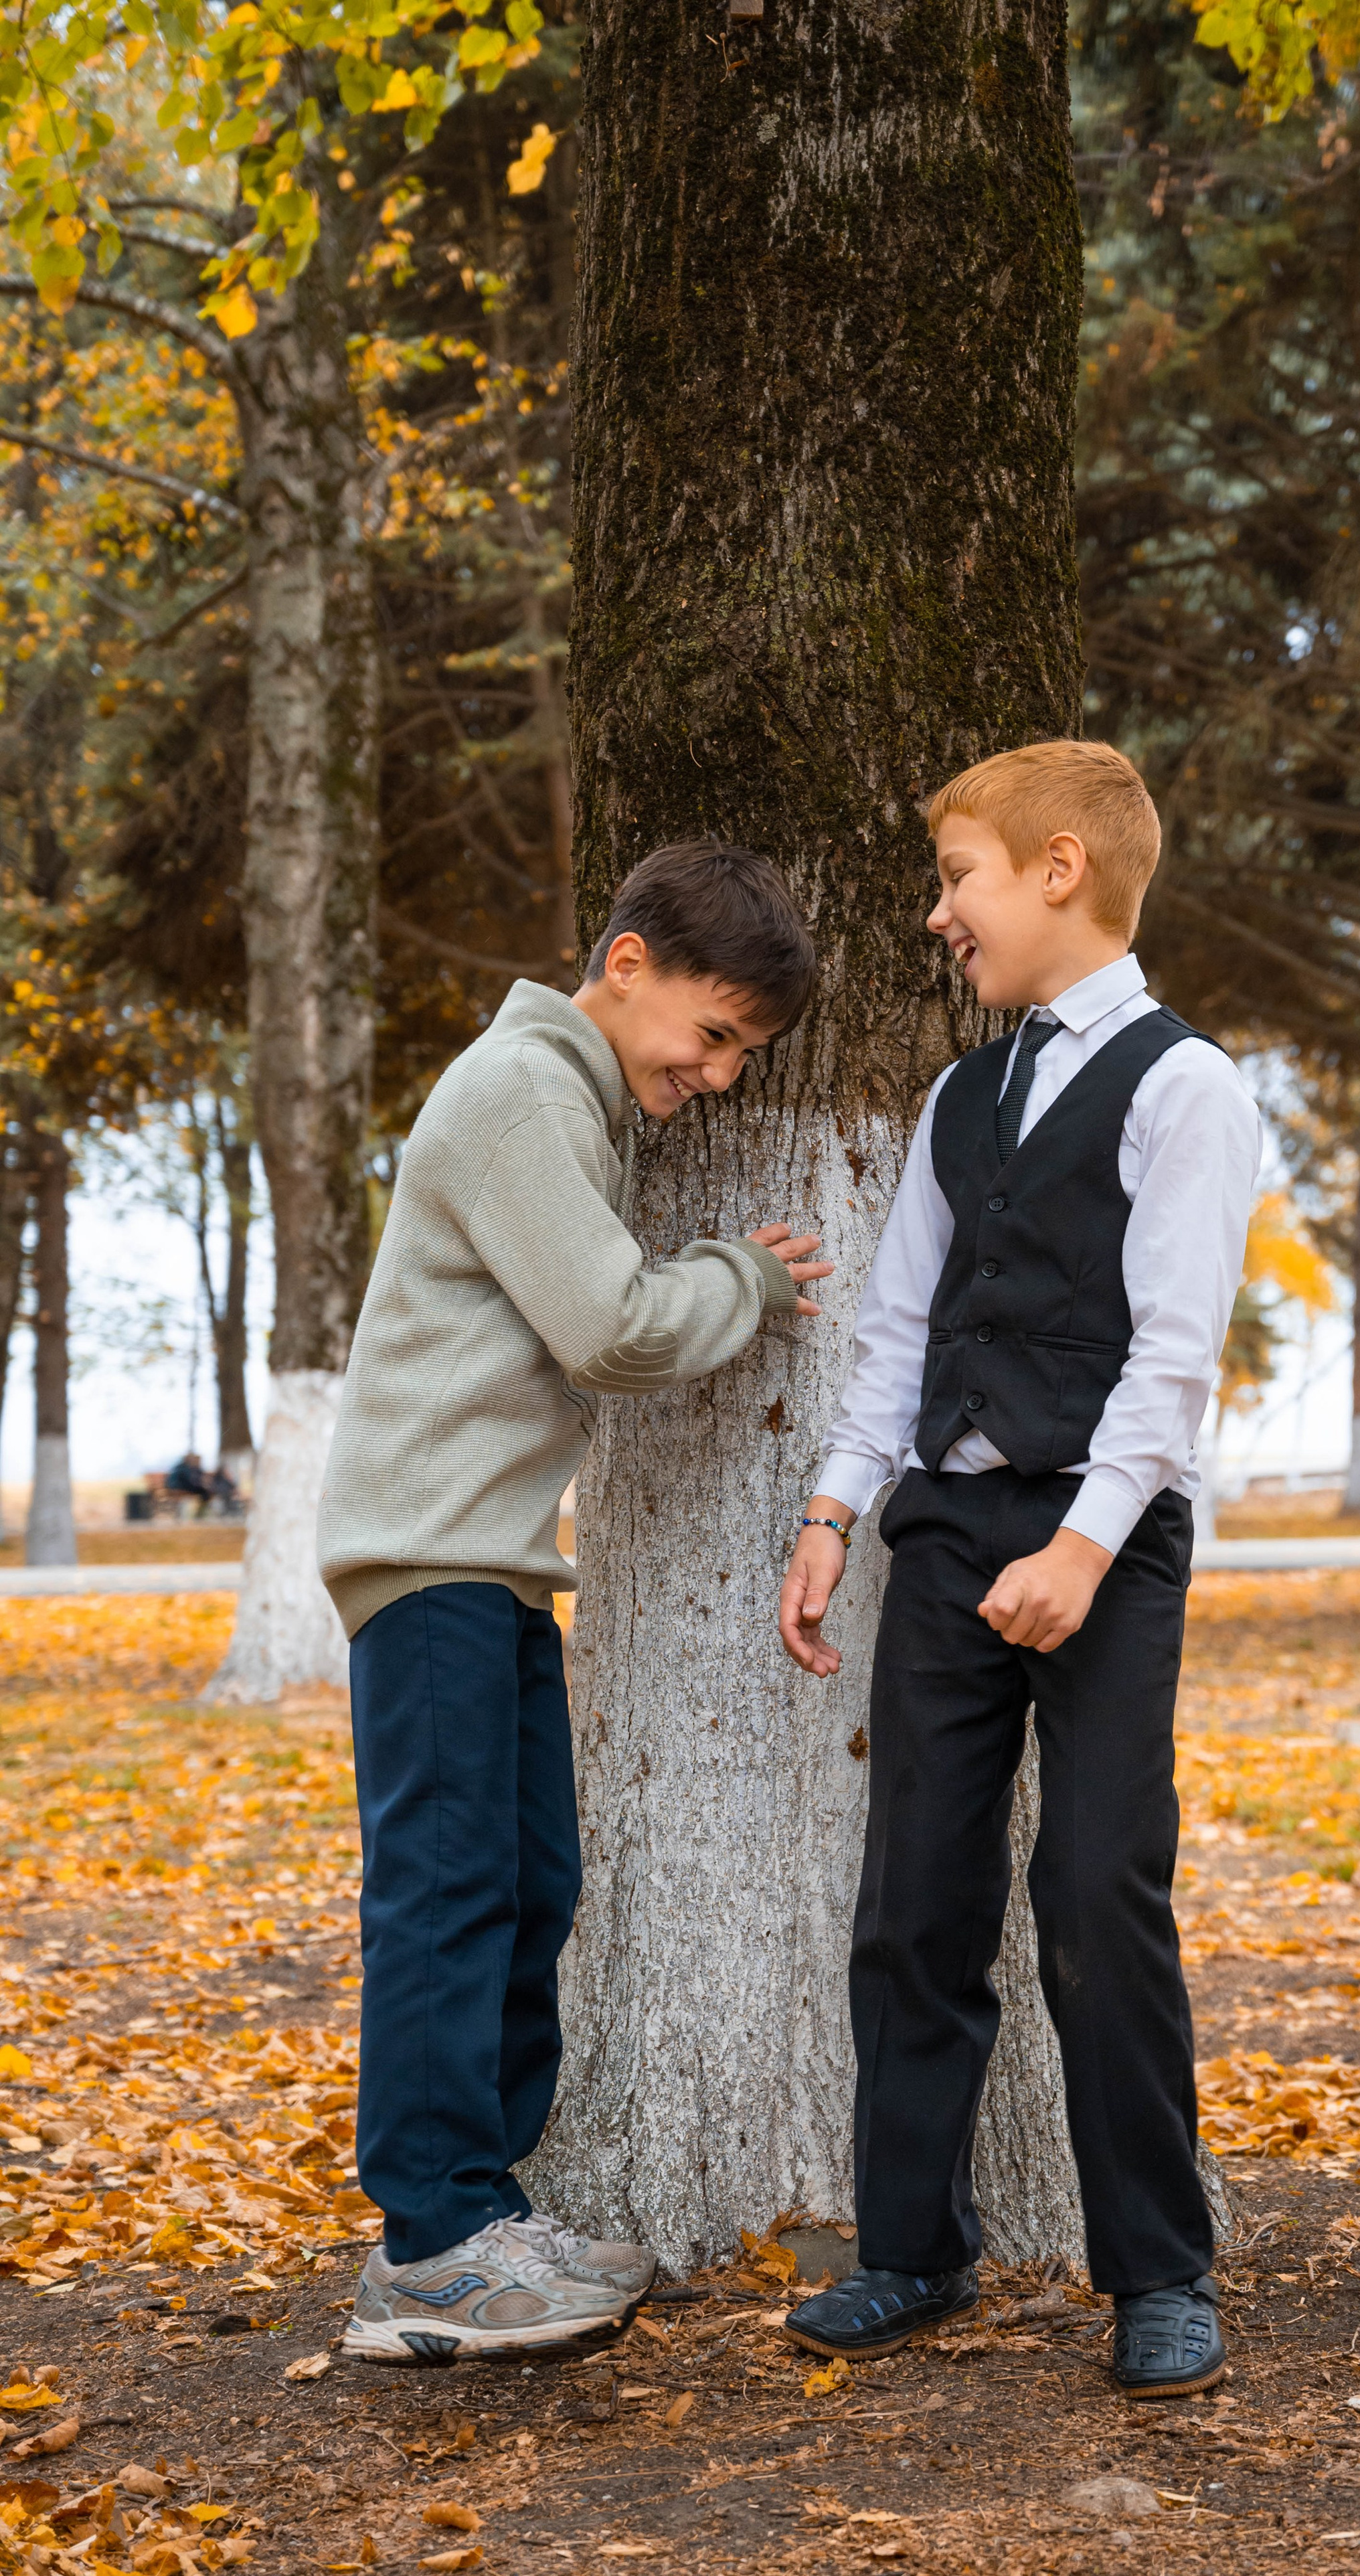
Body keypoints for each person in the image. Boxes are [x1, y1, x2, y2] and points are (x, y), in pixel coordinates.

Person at [776, 740, 1260, 2397]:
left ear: (1059, 868)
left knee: (1097, 1897)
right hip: (945, 1530)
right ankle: (912, 2247)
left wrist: (1079, 1542)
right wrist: (836, 1514)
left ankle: (1157, 2269)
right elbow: (899, 1328)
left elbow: (1176, 1356)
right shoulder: (959, 1095)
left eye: (959, 878)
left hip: (1102, 1544)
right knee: (914, 1902)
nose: (939, 915)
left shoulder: (1188, 1086)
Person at [319, 839, 832, 2366]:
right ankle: (426, 2248)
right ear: (625, 966)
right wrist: (746, 1276)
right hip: (426, 1559)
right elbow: (609, 1328)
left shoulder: (570, 1094)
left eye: (743, 1049)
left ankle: (487, 2205)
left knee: (530, 1886)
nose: (720, 1073)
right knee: (445, 1895)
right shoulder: (524, 1092)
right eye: (715, 1032)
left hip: (486, 1561)